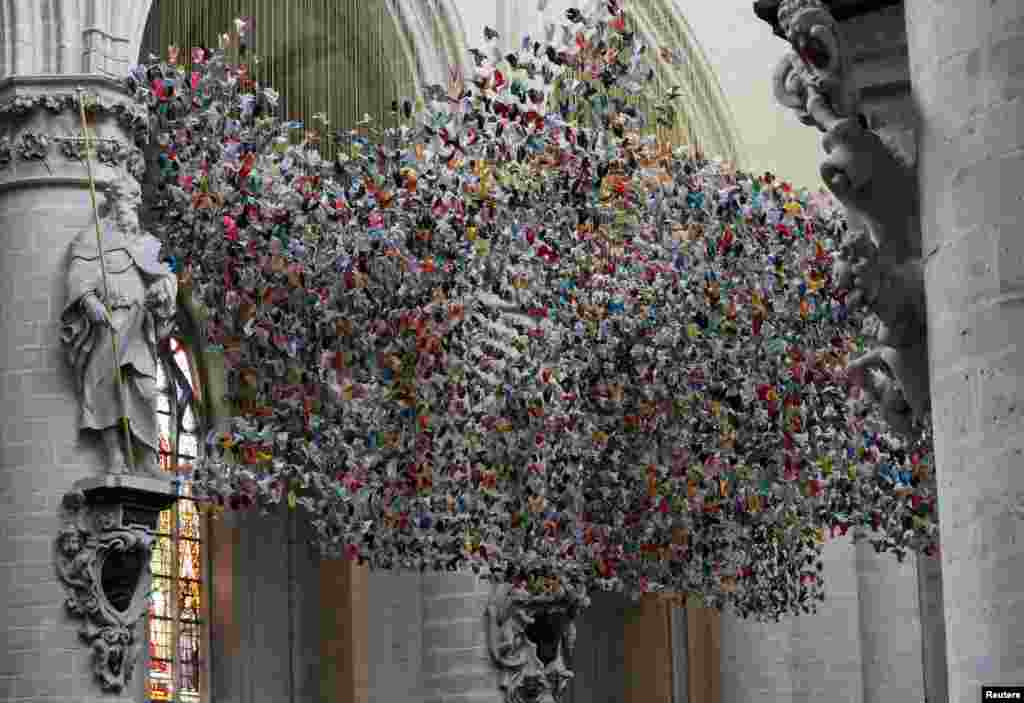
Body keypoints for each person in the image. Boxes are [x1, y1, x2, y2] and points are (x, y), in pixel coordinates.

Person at [61, 175, 177, 476]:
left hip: (139, 325)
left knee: (147, 391)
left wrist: (162, 291)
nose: (137, 202)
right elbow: (78, 276)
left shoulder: (147, 243)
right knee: (104, 387)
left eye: (138, 196)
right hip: (110, 322)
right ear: (113, 201)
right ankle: (114, 456)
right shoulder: (93, 238)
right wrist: (91, 303)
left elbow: (165, 276)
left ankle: (148, 458)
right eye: (131, 196)